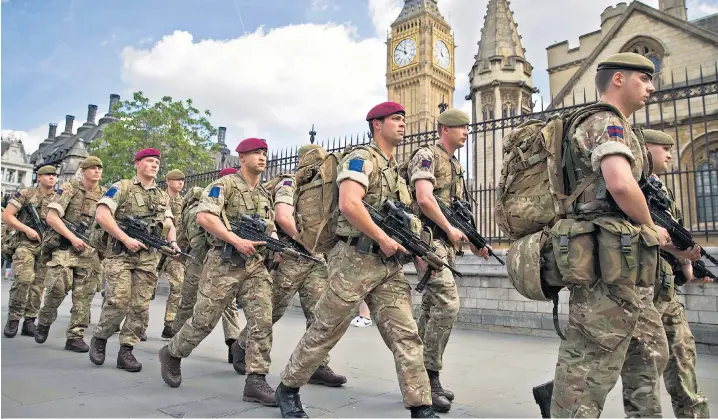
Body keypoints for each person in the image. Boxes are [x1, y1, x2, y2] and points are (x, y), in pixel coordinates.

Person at [275, 102, 439, 418]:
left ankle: (421, 407)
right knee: (326, 329)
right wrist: (382, 237)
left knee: (406, 334)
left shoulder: (396, 171)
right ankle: (288, 388)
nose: (402, 124)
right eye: (395, 119)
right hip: (353, 259)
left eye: (404, 119)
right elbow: (350, 203)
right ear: (376, 124)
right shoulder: (362, 158)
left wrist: (416, 252)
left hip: (388, 267)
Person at [547, 52, 673, 417]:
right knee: (586, 372)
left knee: (648, 354)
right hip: (605, 266)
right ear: (618, 79)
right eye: (643, 79)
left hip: (626, 265)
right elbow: (619, 182)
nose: (651, 87)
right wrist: (650, 225)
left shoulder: (619, 125)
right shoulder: (604, 121)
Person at [159, 138, 278, 408]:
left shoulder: (263, 194)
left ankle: (256, 380)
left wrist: (275, 243)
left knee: (262, 320)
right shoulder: (223, 185)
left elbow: (269, 227)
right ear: (241, 158)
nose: (262, 157)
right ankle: (172, 353)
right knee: (203, 321)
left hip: (254, 266)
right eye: (256, 153)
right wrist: (236, 240)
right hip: (223, 264)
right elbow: (205, 218)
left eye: (264, 153)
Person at [231, 144, 347, 387]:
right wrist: (308, 244)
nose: (318, 168)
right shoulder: (288, 183)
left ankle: (317, 365)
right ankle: (242, 345)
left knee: (318, 313)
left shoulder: (325, 188)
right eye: (314, 163)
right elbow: (282, 217)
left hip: (315, 259)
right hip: (291, 256)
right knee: (272, 309)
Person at [407, 108, 490, 412]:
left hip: (445, 244)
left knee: (431, 310)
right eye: (461, 127)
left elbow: (456, 212)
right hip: (428, 241)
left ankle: (414, 373)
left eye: (468, 127)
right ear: (444, 129)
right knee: (447, 304)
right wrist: (450, 228)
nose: (467, 132)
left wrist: (475, 242)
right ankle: (429, 376)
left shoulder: (454, 163)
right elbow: (424, 198)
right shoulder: (427, 155)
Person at [637, 128, 711, 418]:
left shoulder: (661, 189)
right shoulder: (630, 187)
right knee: (634, 370)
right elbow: (639, 237)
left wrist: (689, 268)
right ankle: (565, 395)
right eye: (661, 147)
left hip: (665, 288)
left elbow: (674, 237)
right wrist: (682, 255)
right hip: (637, 292)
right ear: (645, 151)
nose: (669, 153)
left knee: (682, 357)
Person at [89, 148, 179, 373]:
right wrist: (125, 238)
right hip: (120, 254)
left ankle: (127, 350)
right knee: (118, 300)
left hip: (148, 257)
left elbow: (168, 223)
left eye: (157, 162)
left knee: (140, 306)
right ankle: (100, 337)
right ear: (137, 164)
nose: (154, 165)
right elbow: (102, 215)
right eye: (149, 161)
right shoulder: (122, 187)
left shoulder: (160, 195)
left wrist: (173, 242)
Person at [170, 167, 242, 363]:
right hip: (213, 260)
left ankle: (176, 338)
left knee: (191, 300)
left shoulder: (196, 206)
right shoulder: (213, 206)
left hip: (201, 261)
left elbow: (183, 235)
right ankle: (232, 344)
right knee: (225, 304)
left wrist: (182, 253)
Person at [34, 156, 106, 352]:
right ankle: (44, 320)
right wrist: (72, 237)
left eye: (99, 168)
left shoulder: (105, 194)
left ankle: (75, 336)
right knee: (57, 288)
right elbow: (52, 217)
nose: (97, 171)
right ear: (83, 171)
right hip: (65, 247)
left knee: (84, 295)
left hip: (89, 251)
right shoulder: (69, 189)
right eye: (92, 168)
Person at [2, 165, 58, 338]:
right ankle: (13, 319)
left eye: (54, 175)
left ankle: (29, 321)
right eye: (48, 175)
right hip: (25, 243)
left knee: (38, 286)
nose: (52, 177)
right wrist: (26, 229)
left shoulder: (59, 198)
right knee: (24, 279)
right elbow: (7, 215)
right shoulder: (26, 193)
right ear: (38, 177)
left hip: (46, 247)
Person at [158, 169, 187, 339]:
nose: (181, 183)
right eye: (177, 180)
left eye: (182, 180)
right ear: (168, 181)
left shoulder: (183, 203)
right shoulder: (160, 198)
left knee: (178, 285)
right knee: (145, 288)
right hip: (155, 248)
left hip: (173, 250)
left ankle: (169, 323)